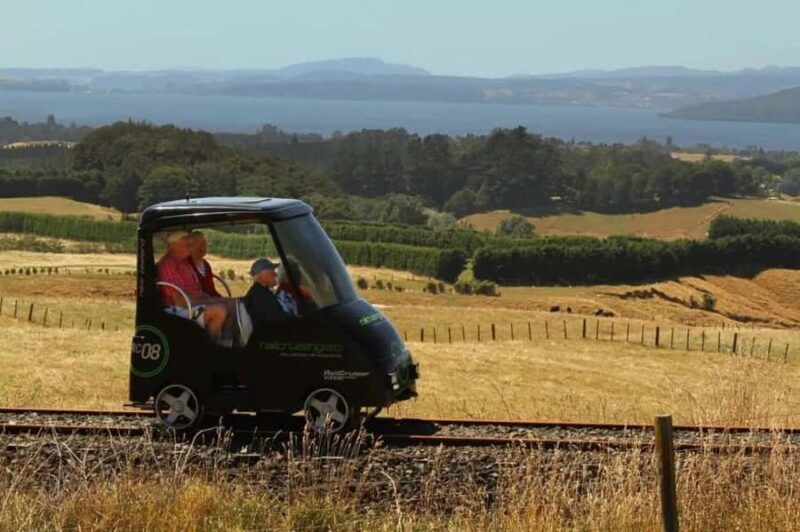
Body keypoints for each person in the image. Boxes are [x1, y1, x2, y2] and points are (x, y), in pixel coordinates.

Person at [156, 230, 227, 342]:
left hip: (192, 304)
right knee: (219, 311)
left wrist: (207, 299)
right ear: (174, 244)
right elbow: (179, 301)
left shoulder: (185, 263)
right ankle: (213, 350)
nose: (190, 242)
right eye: (186, 239)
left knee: (231, 305)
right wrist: (205, 301)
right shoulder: (168, 265)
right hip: (178, 310)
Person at [244, 258, 291, 327]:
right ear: (263, 274)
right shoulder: (260, 296)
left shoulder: (259, 292)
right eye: (272, 271)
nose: (275, 274)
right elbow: (277, 319)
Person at [188, 231, 222, 298]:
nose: (203, 247)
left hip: (211, 300)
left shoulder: (206, 264)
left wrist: (223, 299)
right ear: (191, 246)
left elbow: (212, 291)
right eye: (200, 244)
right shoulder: (186, 265)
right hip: (199, 303)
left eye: (205, 244)